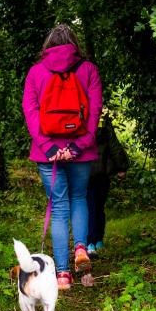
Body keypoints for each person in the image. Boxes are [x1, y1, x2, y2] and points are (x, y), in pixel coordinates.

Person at [22, 24, 103, 290]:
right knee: (79, 198)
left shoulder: (36, 72)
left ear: (48, 45)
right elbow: (94, 112)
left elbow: (30, 110)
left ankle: (63, 275)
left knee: (58, 208)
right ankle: (81, 248)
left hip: (48, 155)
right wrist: (79, 146)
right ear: (74, 44)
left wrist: (48, 148)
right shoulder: (88, 70)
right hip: (82, 150)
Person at [86, 113, 129, 256]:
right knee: (98, 207)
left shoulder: (78, 114)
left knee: (90, 208)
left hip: (84, 171)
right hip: (101, 172)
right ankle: (98, 240)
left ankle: (90, 243)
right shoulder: (101, 118)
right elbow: (113, 144)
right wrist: (121, 166)